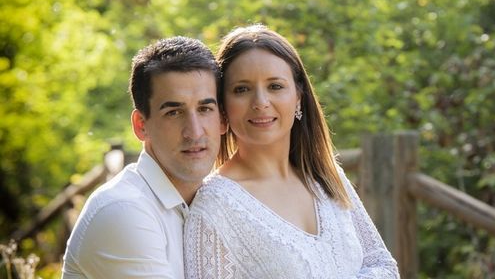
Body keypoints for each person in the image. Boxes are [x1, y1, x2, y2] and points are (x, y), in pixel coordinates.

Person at [184, 24, 400, 278]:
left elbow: (383, 265)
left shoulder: (327, 176)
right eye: (242, 89)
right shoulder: (213, 207)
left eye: (275, 86)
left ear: (299, 96)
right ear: (223, 106)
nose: (261, 103)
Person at [62, 36, 226, 278]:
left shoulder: (212, 202)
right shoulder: (124, 210)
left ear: (223, 119)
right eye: (174, 112)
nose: (195, 131)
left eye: (204, 109)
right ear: (141, 125)